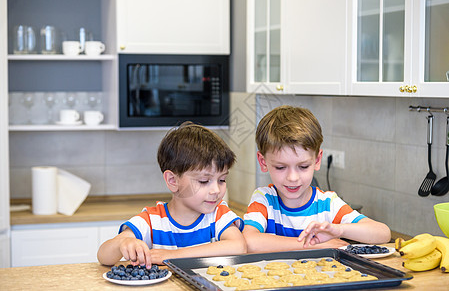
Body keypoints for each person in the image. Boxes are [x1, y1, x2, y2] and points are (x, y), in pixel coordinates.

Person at [243, 105, 391, 253]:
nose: (293, 178)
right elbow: (249, 242)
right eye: (281, 167)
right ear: (263, 162)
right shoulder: (264, 200)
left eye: (303, 166)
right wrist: (313, 244)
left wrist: (339, 230)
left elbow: (383, 233)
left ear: (317, 160)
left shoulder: (327, 203)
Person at [97, 122, 246, 267]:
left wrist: (172, 255)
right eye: (204, 181)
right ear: (173, 181)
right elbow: (104, 255)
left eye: (222, 180)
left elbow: (238, 247)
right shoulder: (152, 220)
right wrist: (124, 243)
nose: (216, 190)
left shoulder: (218, 215)